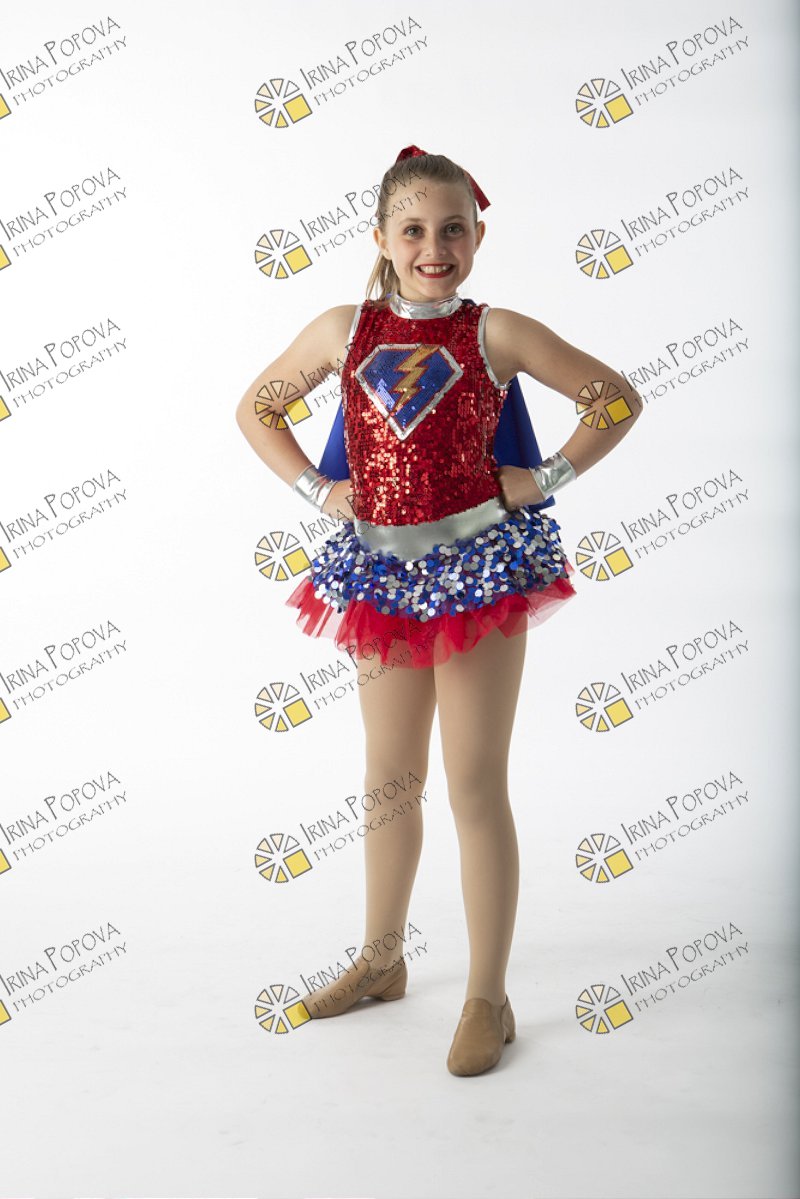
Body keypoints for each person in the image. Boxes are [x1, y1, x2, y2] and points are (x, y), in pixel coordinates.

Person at [235, 145, 643, 1076]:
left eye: (452, 229)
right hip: (381, 575)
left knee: (473, 781)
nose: (433, 247)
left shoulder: (496, 333)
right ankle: (382, 959)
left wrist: (543, 477)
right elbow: (258, 408)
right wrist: (319, 491)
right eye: (413, 229)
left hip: (479, 575)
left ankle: (487, 996)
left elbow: (614, 399)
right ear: (380, 236)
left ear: (477, 237)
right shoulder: (341, 331)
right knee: (388, 777)